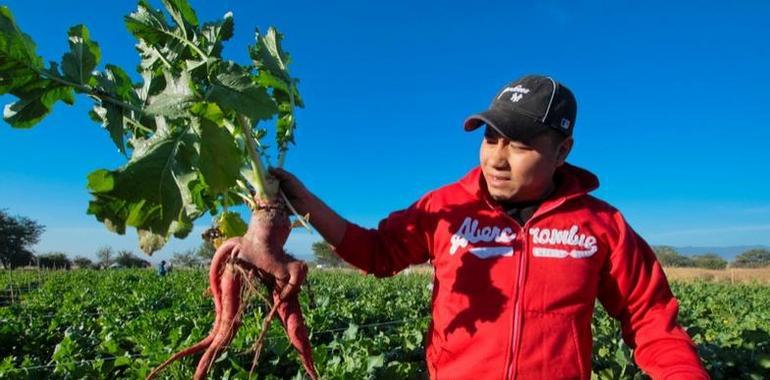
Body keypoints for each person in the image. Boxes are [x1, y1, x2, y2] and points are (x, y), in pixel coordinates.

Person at [269, 75, 708, 379]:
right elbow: (377, 253)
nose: (497, 158)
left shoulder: (601, 225)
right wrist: (307, 202)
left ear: (561, 152)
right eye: (491, 138)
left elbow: (649, 316)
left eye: (519, 145)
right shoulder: (444, 207)